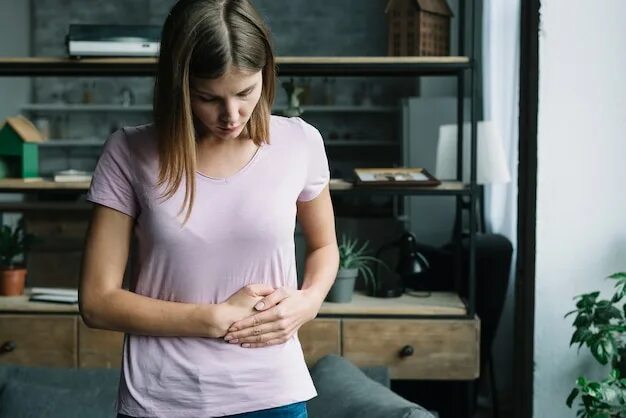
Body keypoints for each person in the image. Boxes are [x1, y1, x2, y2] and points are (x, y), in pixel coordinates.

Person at [78, 0, 339, 417]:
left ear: (265, 75)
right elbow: (96, 301)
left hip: (271, 393)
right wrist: (214, 319)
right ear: (179, 86)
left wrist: (307, 303)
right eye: (208, 97)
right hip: (162, 399)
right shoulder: (128, 152)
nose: (231, 115)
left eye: (246, 92)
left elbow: (325, 247)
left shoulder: (300, 142)